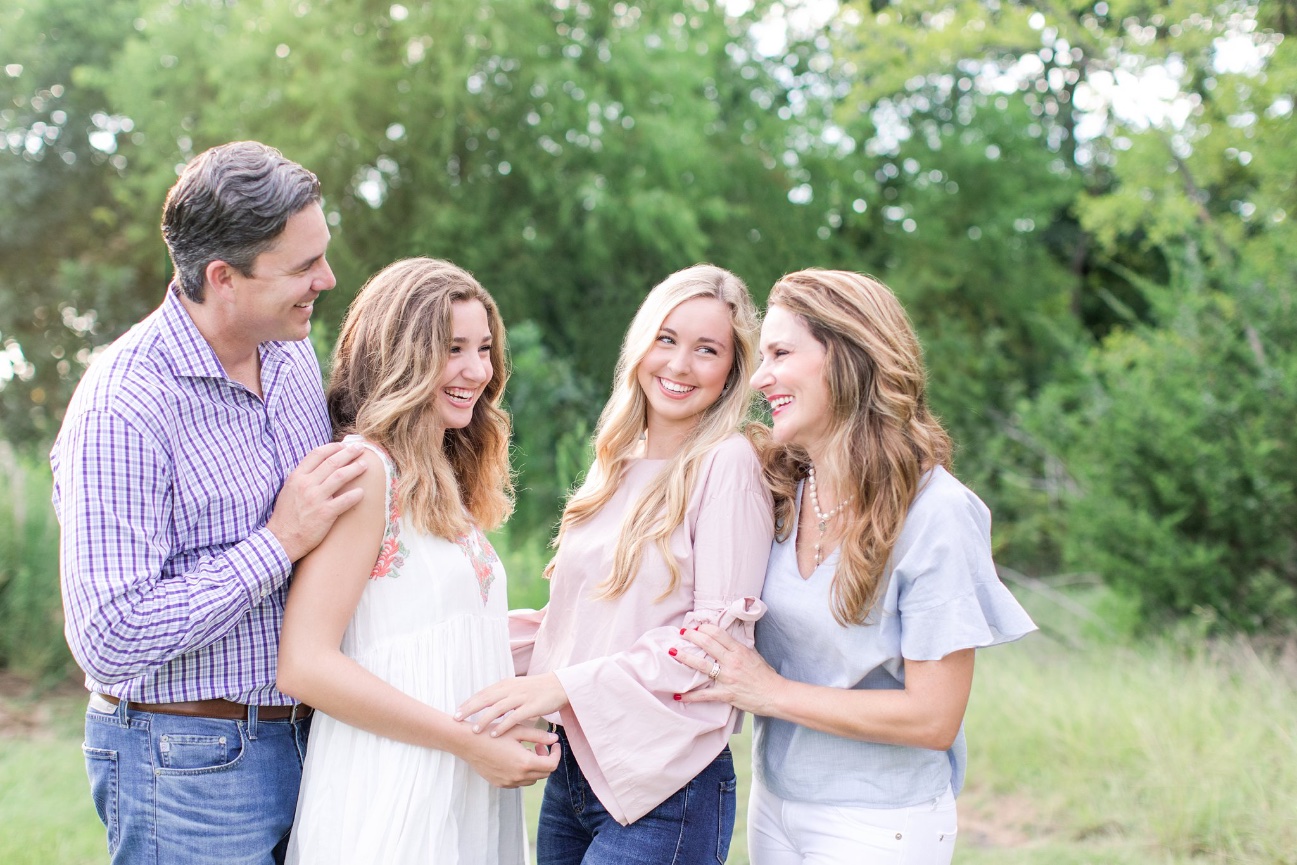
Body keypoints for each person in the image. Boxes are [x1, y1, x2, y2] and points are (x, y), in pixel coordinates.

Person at [50, 140, 370, 865]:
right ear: (223, 277)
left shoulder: (289, 351)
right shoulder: (123, 405)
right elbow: (109, 634)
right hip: (187, 759)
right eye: (303, 266)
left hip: (317, 740)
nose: (326, 279)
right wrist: (276, 543)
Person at [672, 268, 1038, 865]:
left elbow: (933, 718)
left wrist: (771, 692)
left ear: (848, 357)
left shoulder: (936, 513)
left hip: (881, 821)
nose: (759, 377)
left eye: (781, 353)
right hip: (775, 803)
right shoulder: (780, 489)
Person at [455, 264, 775, 864]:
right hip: (576, 767)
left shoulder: (728, 463)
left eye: (707, 350)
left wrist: (558, 686)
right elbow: (574, 624)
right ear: (641, 345)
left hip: (667, 782)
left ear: (733, 370)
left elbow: (713, 648)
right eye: (667, 339)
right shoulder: (616, 464)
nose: (680, 365)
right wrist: (452, 644)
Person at [276, 257, 560, 865]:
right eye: (452, 349)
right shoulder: (366, 472)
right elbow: (305, 664)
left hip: (460, 782)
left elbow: (429, 635)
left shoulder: (441, 478)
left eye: (484, 349)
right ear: (400, 356)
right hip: (393, 788)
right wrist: (468, 743)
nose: (477, 370)